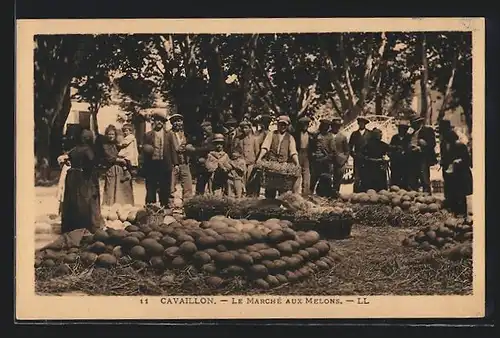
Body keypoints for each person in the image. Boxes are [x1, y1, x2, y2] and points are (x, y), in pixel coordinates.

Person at [60, 129, 104, 233]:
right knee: (85, 200)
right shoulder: (88, 150)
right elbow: (91, 162)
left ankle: (71, 226)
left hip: (72, 176)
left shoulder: (74, 149)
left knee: (72, 200)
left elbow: (68, 158)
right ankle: (85, 225)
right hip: (84, 177)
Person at [257, 115, 300, 198]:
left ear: (287, 126)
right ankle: (269, 205)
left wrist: (297, 163)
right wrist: (259, 158)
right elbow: (265, 147)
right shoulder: (271, 134)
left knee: (283, 189)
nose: (282, 126)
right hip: (272, 165)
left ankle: (280, 205)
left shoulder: (290, 137)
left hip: (283, 166)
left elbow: (293, 152)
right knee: (270, 188)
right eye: (281, 124)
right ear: (277, 125)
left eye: (285, 125)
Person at [141, 111, 176, 206]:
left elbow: (172, 149)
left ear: (164, 123)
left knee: (165, 186)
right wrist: (142, 166)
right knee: (151, 186)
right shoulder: (148, 135)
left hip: (165, 164)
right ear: (154, 122)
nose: (159, 123)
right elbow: (143, 150)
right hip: (152, 164)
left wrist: (175, 163)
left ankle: (164, 205)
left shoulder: (169, 135)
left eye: (161, 121)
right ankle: (150, 206)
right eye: (157, 121)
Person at [440, 120, 472, 215]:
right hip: (449, 173)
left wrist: (458, 161)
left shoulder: (460, 146)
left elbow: (467, 160)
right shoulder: (444, 144)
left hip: (460, 174)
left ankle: (462, 213)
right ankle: (453, 211)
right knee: (450, 193)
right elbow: (445, 157)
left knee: (460, 195)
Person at [101, 125, 135, 206]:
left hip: (120, 169)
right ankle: (109, 207)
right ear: (106, 135)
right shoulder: (105, 145)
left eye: (112, 134)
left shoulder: (117, 145)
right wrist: (120, 160)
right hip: (111, 168)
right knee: (111, 189)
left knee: (122, 189)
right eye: (109, 134)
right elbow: (109, 157)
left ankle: (123, 206)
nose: (111, 136)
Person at [407, 114, 437, 193]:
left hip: (423, 156)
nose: (412, 125)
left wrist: (420, 148)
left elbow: (432, 144)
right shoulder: (410, 131)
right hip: (412, 156)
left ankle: (427, 195)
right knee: (413, 178)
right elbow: (405, 142)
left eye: (414, 123)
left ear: (419, 123)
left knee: (424, 177)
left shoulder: (427, 130)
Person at [169, 113, 195, 201]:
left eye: (179, 121)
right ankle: (170, 204)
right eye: (175, 121)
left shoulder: (186, 134)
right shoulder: (168, 134)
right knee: (171, 185)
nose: (177, 123)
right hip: (173, 163)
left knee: (187, 184)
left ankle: (187, 203)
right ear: (172, 123)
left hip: (185, 162)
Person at [233, 120, 260, 197]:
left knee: (250, 179)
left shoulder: (254, 139)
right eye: (242, 128)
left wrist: (257, 162)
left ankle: (251, 194)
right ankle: (243, 194)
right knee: (242, 179)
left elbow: (257, 151)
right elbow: (235, 150)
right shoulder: (238, 139)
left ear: (249, 128)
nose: (244, 130)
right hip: (242, 162)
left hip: (251, 162)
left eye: (246, 128)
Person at [310, 119, 336, 196]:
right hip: (316, 160)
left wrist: (327, 158)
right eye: (323, 126)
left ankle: (324, 194)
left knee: (326, 180)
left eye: (326, 126)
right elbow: (311, 147)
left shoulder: (330, 137)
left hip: (325, 161)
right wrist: (313, 154)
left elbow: (333, 151)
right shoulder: (316, 135)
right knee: (313, 179)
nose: (325, 128)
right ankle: (310, 194)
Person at [349, 116, 372, 193]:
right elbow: (350, 147)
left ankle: (366, 192)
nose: (361, 124)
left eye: (363, 123)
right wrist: (354, 155)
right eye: (360, 123)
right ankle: (356, 193)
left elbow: (373, 145)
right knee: (357, 176)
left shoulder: (370, 134)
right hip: (357, 158)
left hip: (367, 158)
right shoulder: (354, 134)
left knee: (366, 175)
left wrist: (370, 155)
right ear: (358, 124)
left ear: (365, 124)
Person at [193, 121, 216, 195]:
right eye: (203, 131)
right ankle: (199, 195)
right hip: (202, 165)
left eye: (206, 130)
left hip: (212, 164)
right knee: (200, 182)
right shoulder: (202, 139)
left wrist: (196, 149)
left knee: (211, 183)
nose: (204, 133)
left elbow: (210, 148)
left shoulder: (214, 138)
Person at [293, 116, 314, 196]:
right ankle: (295, 194)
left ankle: (305, 194)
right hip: (298, 154)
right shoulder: (296, 134)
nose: (305, 126)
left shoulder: (311, 135)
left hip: (307, 155)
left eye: (307, 124)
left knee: (306, 175)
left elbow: (313, 147)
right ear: (301, 125)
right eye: (303, 124)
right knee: (297, 174)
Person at [330, 116, 350, 197]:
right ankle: (327, 193)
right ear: (331, 126)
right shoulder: (327, 135)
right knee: (327, 177)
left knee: (338, 178)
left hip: (339, 160)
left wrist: (344, 158)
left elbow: (347, 150)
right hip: (329, 160)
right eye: (334, 126)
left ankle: (336, 193)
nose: (336, 128)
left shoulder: (342, 137)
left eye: (337, 126)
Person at [389, 119, 411, 190]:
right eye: (400, 128)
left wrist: (405, 151)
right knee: (395, 180)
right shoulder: (394, 138)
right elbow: (390, 148)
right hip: (395, 163)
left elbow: (410, 149)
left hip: (406, 163)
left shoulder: (409, 138)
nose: (401, 130)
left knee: (405, 181)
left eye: (403, 128)